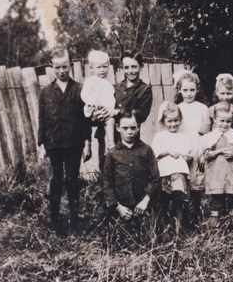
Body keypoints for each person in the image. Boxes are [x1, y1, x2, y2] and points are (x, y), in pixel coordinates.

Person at [38, 47, 92, 234]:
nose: (62, 71)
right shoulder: (45, 92)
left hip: (73, 143)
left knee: (72, 180)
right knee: (55, 180)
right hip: (53, 143)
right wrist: (41, 145)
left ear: (71, 65)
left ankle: (75, 222)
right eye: (58, 67)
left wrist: (87, 142)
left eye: (65, 67)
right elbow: (42, 119)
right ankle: (55, 222)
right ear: (51, 67)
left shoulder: (80, 89)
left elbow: (86, 119)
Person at [103, 109, 160, 224]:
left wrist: (145, 201)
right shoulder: (112, 154)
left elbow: (155, 179)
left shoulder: (146, 150)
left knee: (147, 237)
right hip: (121, 209)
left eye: (133, 128)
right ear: (118, 128)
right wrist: (118, 207)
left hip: (143, 206)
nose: (129, 132)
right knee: (119, 237)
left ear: (138, 127)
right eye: (125, 128)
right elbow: (107, 183)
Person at [200, 101, 233, 228]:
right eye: (221, 121)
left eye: (228, 121)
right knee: (216, 202)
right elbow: (205, 155)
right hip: (216, 175)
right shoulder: (210, 137)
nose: (224, 124)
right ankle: (214, 230)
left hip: (232, 174)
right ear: (215, 119)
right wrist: (218, 151)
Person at [152, 102, 192, 236]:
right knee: (162, 203)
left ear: (180, 120)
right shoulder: (160, 136)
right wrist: (168, 152)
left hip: (179, 173)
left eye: (176, 120)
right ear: (163, 122)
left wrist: (188, 157)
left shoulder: (184, 137)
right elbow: (154, 154)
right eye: (169, 121)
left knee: (179, 203)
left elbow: (187, 153)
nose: (173, 124)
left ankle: (178, 231)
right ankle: (164, 233)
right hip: (164, 173)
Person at [174, 70, 209, 228]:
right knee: (183, 186)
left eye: (192, 90)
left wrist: (202, 152)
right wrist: (180, 152)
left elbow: (206, 133)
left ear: (197, 89)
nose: (188, 94)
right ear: (179, 90)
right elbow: (173, 131)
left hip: (198, 148)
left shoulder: (203, 108)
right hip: (183, 150)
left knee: (198, 186)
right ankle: (183, 222)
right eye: (185, 90)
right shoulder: (176, 108)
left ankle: (199, 220)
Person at [80, 50, 116, 170]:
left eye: (105, 67)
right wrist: (93, 103)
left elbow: (111, 97)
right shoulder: (90, 81)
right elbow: (84, 94)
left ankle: (110, 143)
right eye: (99, 67)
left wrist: (109, 108)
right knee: (86, 123)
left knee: (110, 121)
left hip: (105, 110)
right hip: (93, 108)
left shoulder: (108, 83)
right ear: (91, 68)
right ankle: (87, 144)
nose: (102, 70)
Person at [112, 50, 152, 125]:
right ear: (122, 68)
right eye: (126, 67)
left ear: (141, 67)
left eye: (134, 67)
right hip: (108, 132)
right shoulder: (114, 87)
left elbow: (142, 114)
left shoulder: (145, 89)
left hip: (129, 131)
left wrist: (118, 112)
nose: (130, 71)